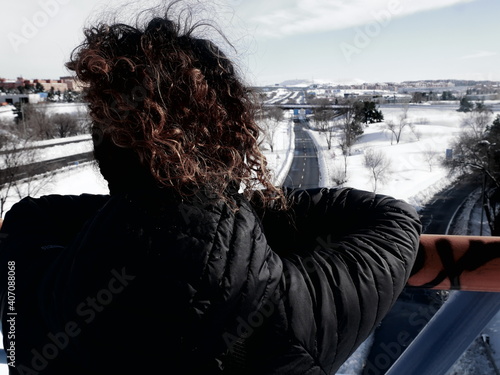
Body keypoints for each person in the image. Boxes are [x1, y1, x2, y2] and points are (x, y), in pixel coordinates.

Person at [0, 4, 421, 375]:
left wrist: (155, 208)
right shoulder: (290, 315)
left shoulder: (33, 292)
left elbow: (33, 216)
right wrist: (231, 212)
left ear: (107, 149)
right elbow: (393, 220)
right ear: (233, 137)